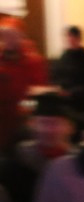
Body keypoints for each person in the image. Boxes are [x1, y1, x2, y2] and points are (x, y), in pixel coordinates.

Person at [0, 17, 48, 151]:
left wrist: (24, 109)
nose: (8, 38)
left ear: (21, 36)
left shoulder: (34, 62)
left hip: (24, 124)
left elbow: (38, 91)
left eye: (12, 34)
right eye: (4, 34)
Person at [52, 25, 84, 115]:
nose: (71, 39)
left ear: (79, 39)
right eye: (68, 36)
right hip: (64, 106)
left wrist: (72, 93)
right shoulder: (60, 60)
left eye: (74, 37)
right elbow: (54, 79)